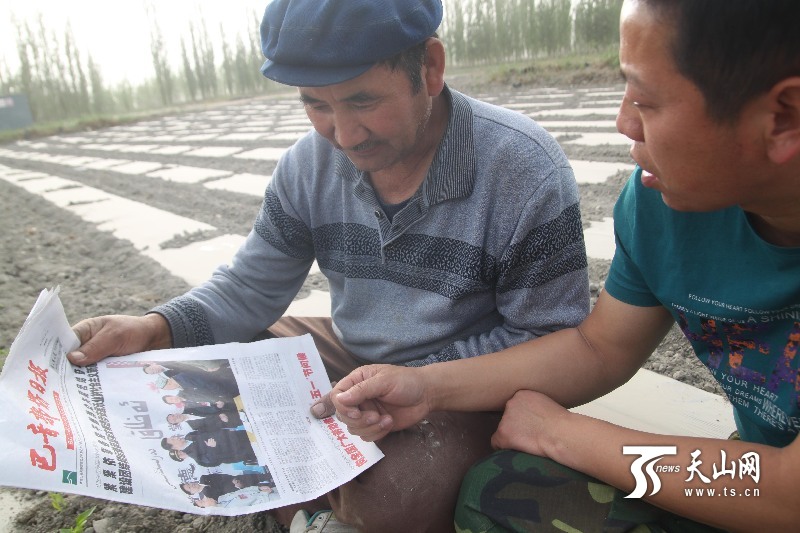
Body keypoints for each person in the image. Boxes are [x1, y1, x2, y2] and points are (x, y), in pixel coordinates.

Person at [66, 0, 589, 530]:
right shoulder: (308, 167)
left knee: (397, 497)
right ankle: (304, 507)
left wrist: (421, 380)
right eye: (316, 105)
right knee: (213, 370)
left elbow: (547, 338)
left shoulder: (521, 171)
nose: (344, 135)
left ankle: (316, 508)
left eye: (363, 101)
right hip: (357, 357)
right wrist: (155, 328)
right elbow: (249, 287)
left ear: (430, 67)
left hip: (465, 387)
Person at [323, 0, 800, 531]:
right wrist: (428, 387)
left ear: (784, 117)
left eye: (646, 100)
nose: (624, 123)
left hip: (780, 488)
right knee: (500, 493)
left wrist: (560, 433)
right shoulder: (663, 206)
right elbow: (597, 348)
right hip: (759, 472)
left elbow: (790, 492)